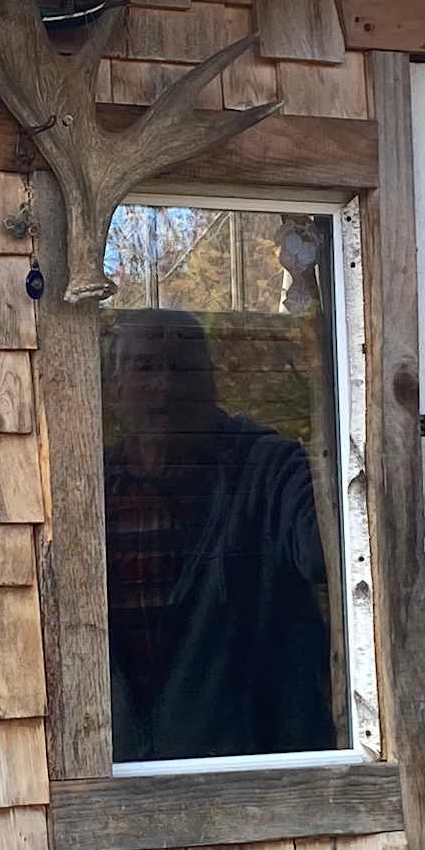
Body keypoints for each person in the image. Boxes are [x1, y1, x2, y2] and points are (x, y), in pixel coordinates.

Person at [103, 306, 339, 762]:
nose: (164, 387)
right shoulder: (91, 488)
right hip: (122, 787)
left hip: (258, 784)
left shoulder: (269, 471)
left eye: (183, 368)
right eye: (145, 366)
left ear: (211, 385)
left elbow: (327, 552)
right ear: (116, 385)